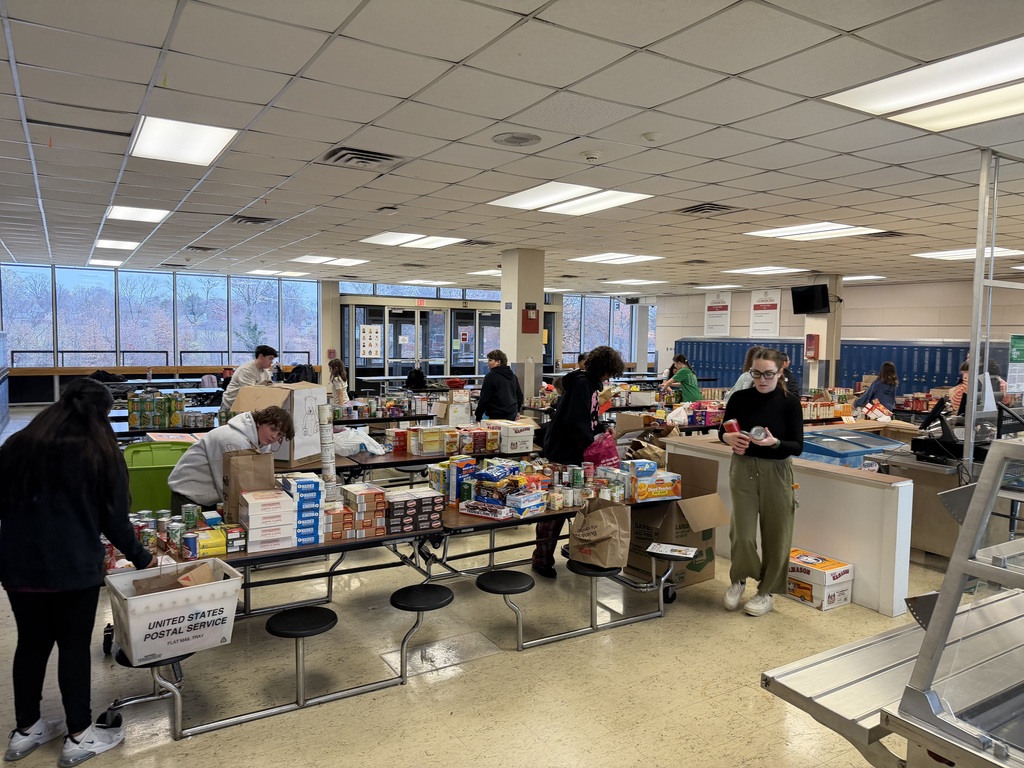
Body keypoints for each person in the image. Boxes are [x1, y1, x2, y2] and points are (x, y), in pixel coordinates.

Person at [0, 379, 156, 765]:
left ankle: (27, 730)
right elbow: (114, 520)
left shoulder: (18, 444)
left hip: (20, 566)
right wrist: (142, 558)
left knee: (31, 644)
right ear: (103, 412)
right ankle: (80, 735)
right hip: (73, 567)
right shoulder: (99, 452)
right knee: (72, 646)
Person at [718, 348, 804, 617]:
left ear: (781, 372)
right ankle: (739, 579)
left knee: (777, 533)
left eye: (769, 374)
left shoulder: (790, 403)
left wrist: (774, 442)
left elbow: (797, 446)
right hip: (743, 469)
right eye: (756, 373)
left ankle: (766, 591)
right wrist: (728, 438)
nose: (762, 379)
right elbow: (724, 429)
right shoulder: (740, 398)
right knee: (741, 532)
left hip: (777, 471)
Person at [532, 345, 625, 578]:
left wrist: (604, 428)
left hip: (576, 452)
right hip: (565, 453)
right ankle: (542, 559)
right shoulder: (583, 385)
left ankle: (576, 550)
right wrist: (592, 442)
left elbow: (591, 417)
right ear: (604, 369)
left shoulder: (591, 385)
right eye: (609, 373)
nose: (608, 378)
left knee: (575, 504)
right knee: (557, 508)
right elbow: (576, 422)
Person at [167, 406, 295, 512]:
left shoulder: (262, 443)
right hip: (189, 496)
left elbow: (255, 480)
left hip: (212, 499)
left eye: (279, 435)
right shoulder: (232, 439)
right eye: (272, 429)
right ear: (259, 422)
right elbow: (229, 484)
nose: (274, 436)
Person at [220, 345, 277, 416]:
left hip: (246, 406)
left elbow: (268, 389)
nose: (271, 362)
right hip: (231, 406)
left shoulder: (266, 372)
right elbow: (251, 394)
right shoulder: (246, 370)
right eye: (270, 359)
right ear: (261, 356)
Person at [475, 349, 524, 421]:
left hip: (496, 415)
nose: (488, 363)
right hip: (512, 414)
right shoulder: (513, 376)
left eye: (490, 360)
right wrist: (518, 411)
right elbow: (520, 397)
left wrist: (478, 415)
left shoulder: (491, 376)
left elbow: (484, 398)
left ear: (498, 362)